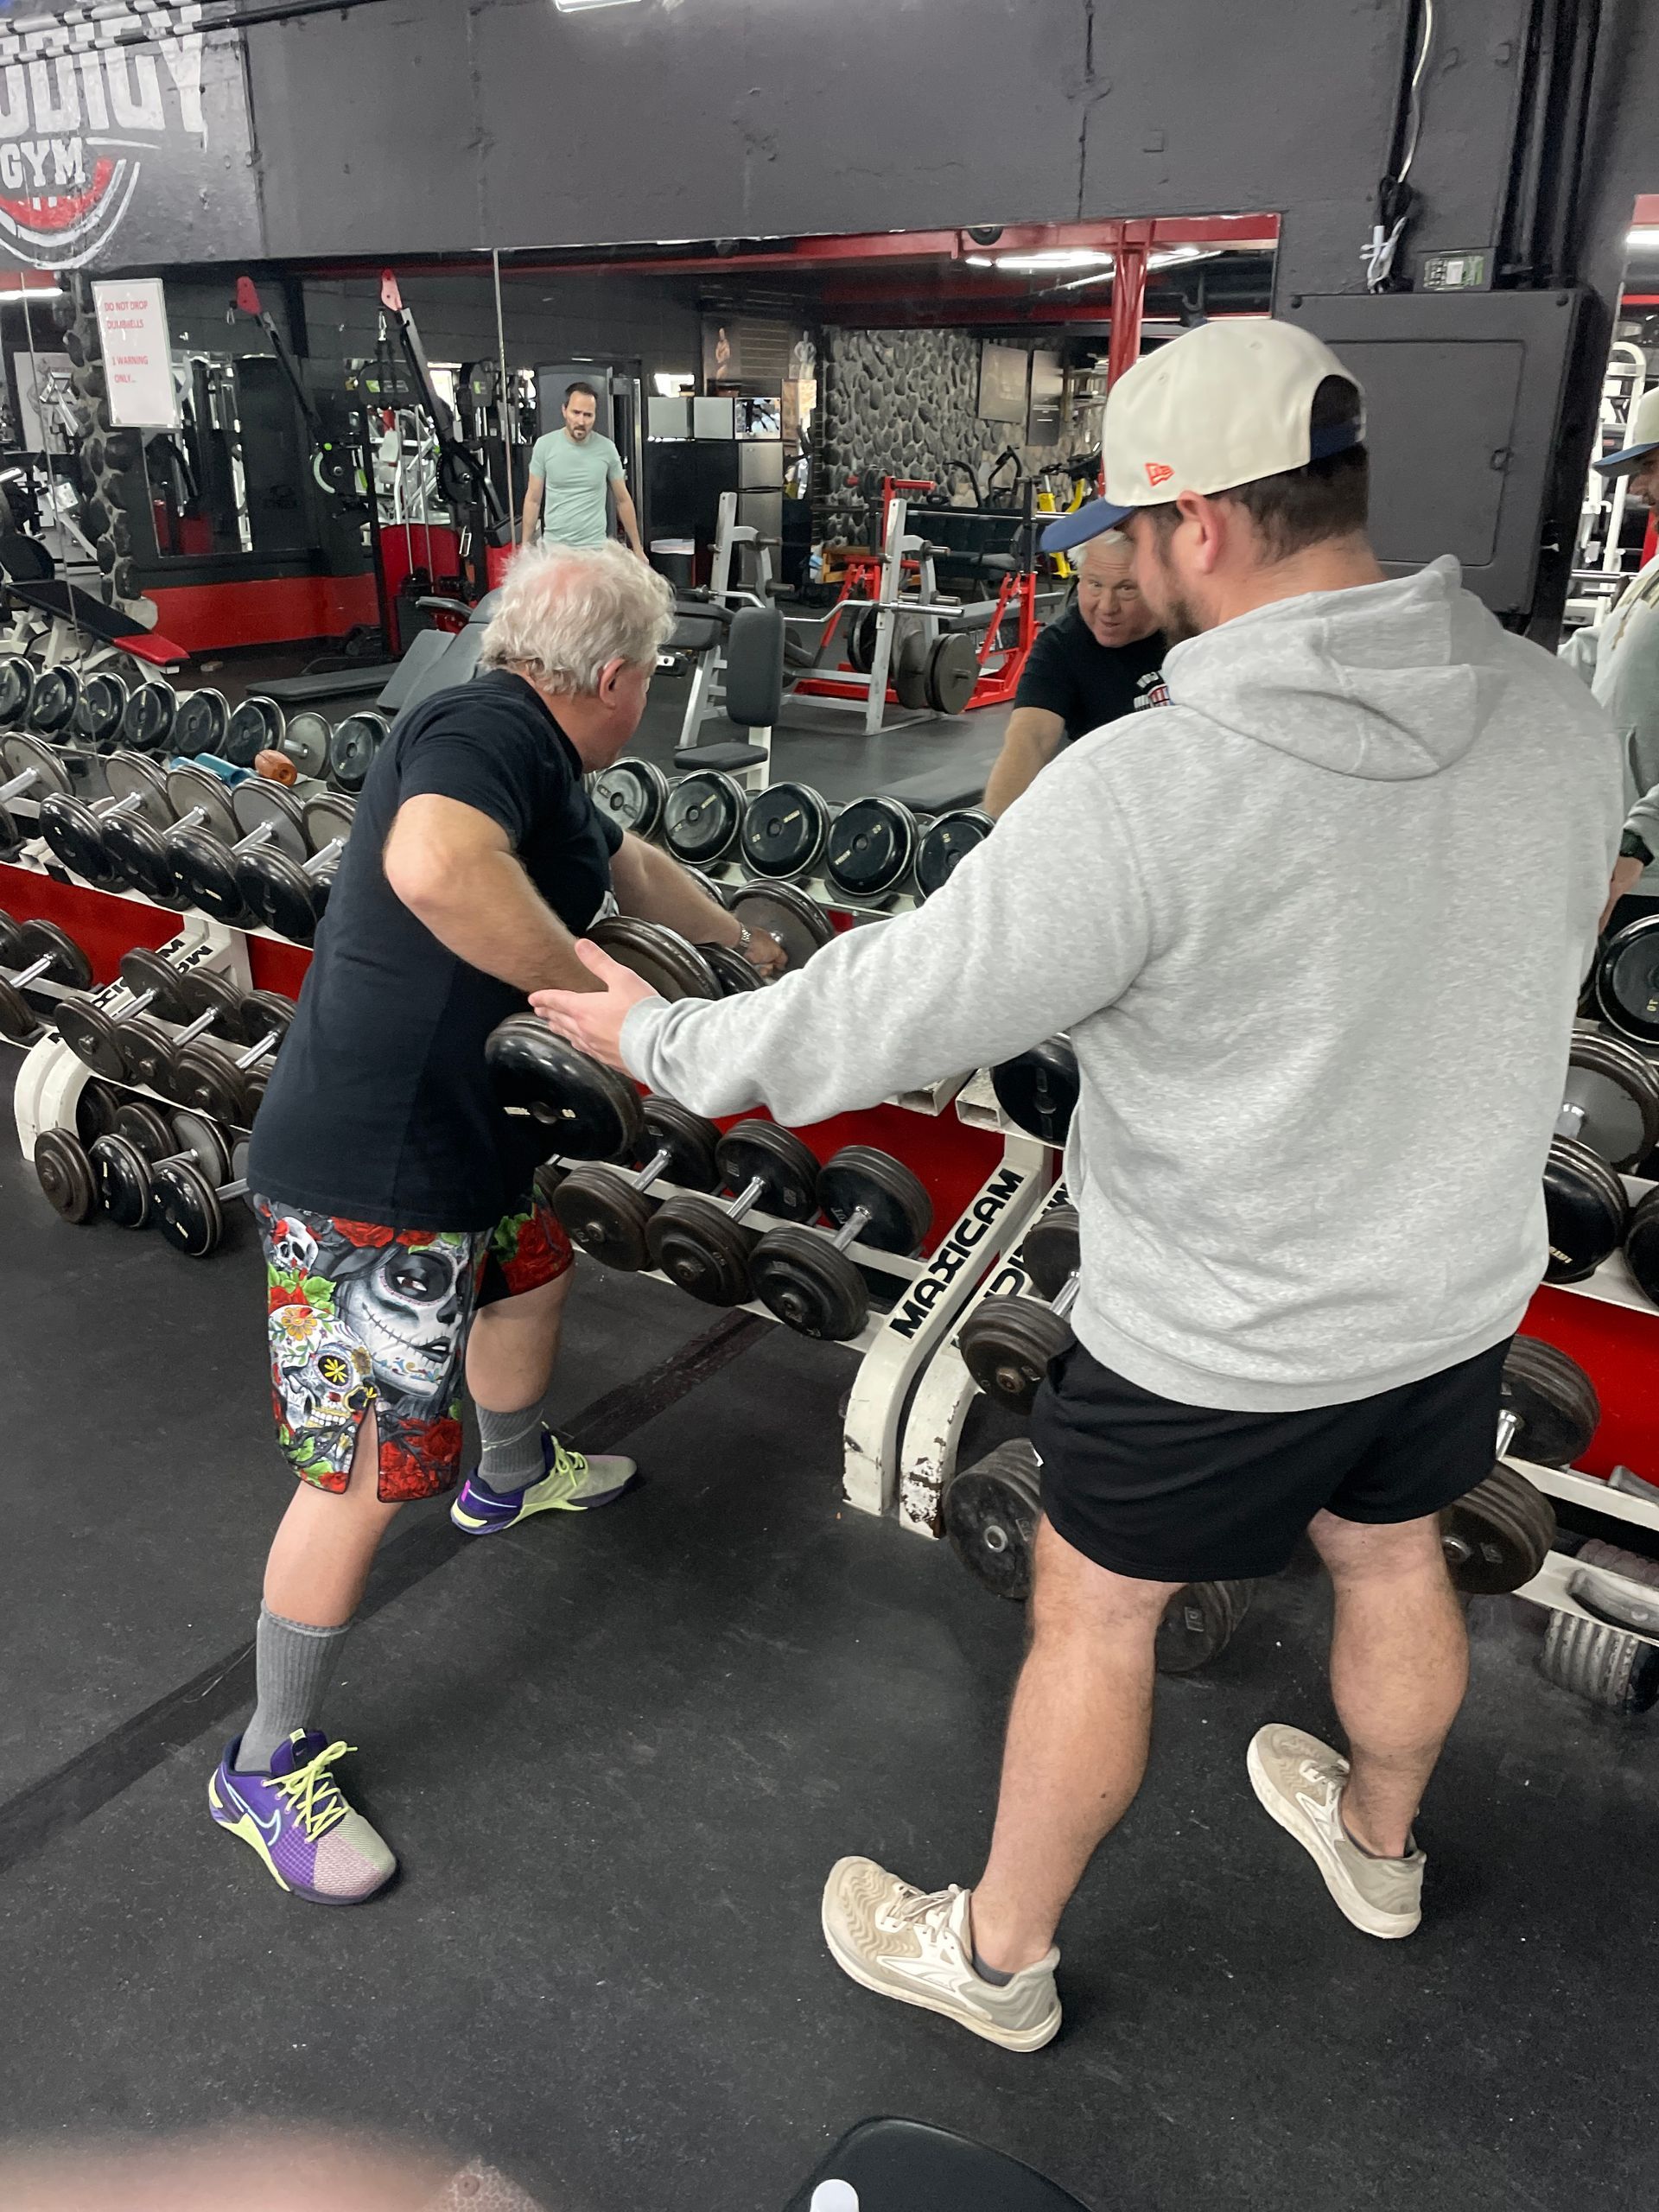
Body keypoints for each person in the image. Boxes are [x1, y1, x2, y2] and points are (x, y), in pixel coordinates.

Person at [528, 321, 1621, 2051]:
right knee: (1397, 1553)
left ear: (1197, 525)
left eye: (1121, 527)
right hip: (1454, 1293)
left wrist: (663, 1040)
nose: (1112, 564)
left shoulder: (1157, 786)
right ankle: (1379, 1842)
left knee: (1095, 1616)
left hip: (1225, 1333)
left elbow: (878, 1014)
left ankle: (993, 1957)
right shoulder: (1554, 713)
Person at [216, 543, 784, 1906]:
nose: (655, 689)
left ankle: (511, 1474)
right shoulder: (478, 727)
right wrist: (599, 1003)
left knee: (531, 1276)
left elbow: (629, 860)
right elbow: (430, 864)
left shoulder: (539, 751)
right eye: (656, 671)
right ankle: (258, 1763)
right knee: (357, 1471)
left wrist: (754, 964)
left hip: (477, 1132)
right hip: (375, 1172)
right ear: (616, 675)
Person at [982, 526, 1166, 815]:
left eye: (1126, 588)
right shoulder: (1062, 644)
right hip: (1111, 806)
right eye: (1094, 584)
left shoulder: (1196, 628)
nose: (1107, 607)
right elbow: (1030, 738)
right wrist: (992, 836)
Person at [1562, 383, 1659, 924]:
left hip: (1645, 869)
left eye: (1648, 466)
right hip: (1621, 861)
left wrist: (1639, 843)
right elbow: (1600, 651)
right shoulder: (1657, 567)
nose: (1641, 489)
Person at [519, 381, 645, 559]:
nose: (581, 421)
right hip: (555, 550)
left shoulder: (607, 448)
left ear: (595, 416)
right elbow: (533, 499)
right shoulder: (544, 446)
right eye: (576, 413)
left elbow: (623, 500)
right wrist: (526, 546)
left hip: (595, 551)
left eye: (588, 415)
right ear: (564, 410)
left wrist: (638, 548)